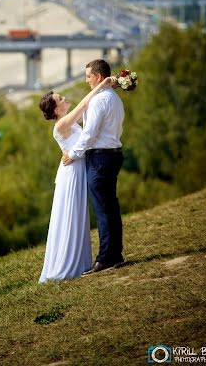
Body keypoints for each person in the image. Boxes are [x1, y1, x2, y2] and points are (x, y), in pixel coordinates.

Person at [38, 75, 117, 283]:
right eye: (61, 99)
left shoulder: (69, 123)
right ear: (56, 110)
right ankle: (66, 265)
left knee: (79, 216)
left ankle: (79, 262)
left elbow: (90, 120)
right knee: (71, 215)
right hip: (71, 174)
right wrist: (102, 84)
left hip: (77, 170)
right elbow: (84, 104)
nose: (64, 99)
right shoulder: (61, 125)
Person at [62, 58, 125, 274]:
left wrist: (72, 154)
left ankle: (106, 258)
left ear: (98, 77)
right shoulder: (114, 98)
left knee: (103, 210)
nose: (86, 80)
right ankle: (115, 254)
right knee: (111, 207)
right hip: (113, 155)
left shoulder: (99, 101)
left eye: (88, 76)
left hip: (100, 158)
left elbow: (89, 134)